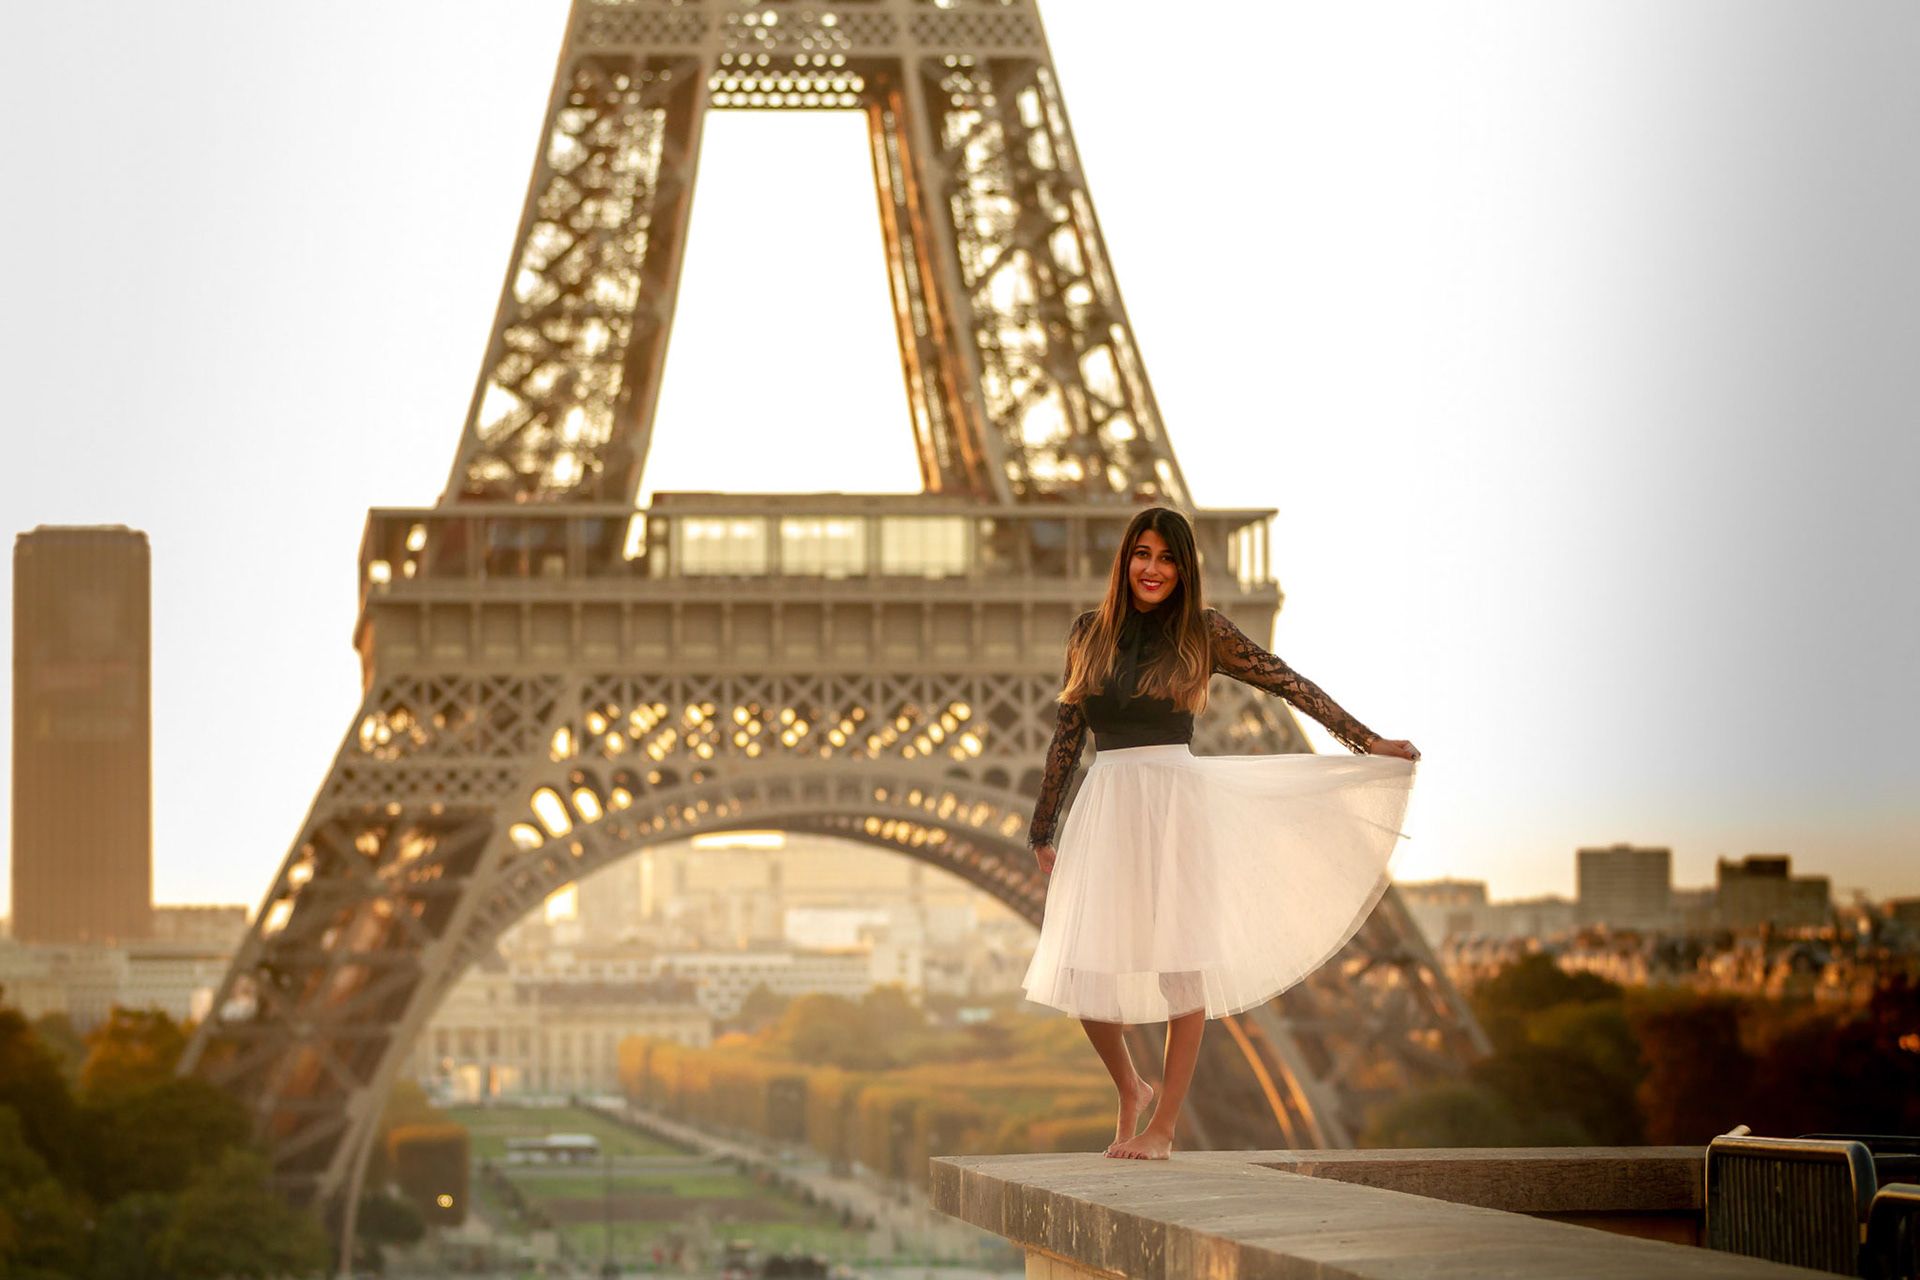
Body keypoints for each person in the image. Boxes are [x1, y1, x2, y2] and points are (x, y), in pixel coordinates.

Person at [1023, 506, 1419, 1160]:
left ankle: (1163, 1128)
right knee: (1084, 967)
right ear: (1124, 560)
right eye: (1142, 554)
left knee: (1183, 970)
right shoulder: (1087, 633)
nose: (1153, 569)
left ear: (1185, 569)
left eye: (1168, 558)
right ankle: (1130, 1087)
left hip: (1175, 800)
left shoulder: (1203, 633)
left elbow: (1287, 682)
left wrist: (1365, 740)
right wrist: (1043, 828)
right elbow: (1068, 736)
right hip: (1109, 802)